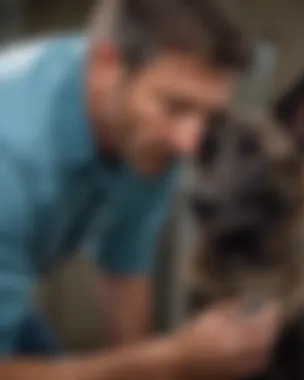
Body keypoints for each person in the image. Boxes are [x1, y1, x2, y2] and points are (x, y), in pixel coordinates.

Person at [0, 0, 281, 378]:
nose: (189, 143)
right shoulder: (12, 154)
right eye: (175, 106)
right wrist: (171, 359)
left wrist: (154, 364)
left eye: (207, 114)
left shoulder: (147, 139)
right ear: (107, 65)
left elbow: (123, 270)